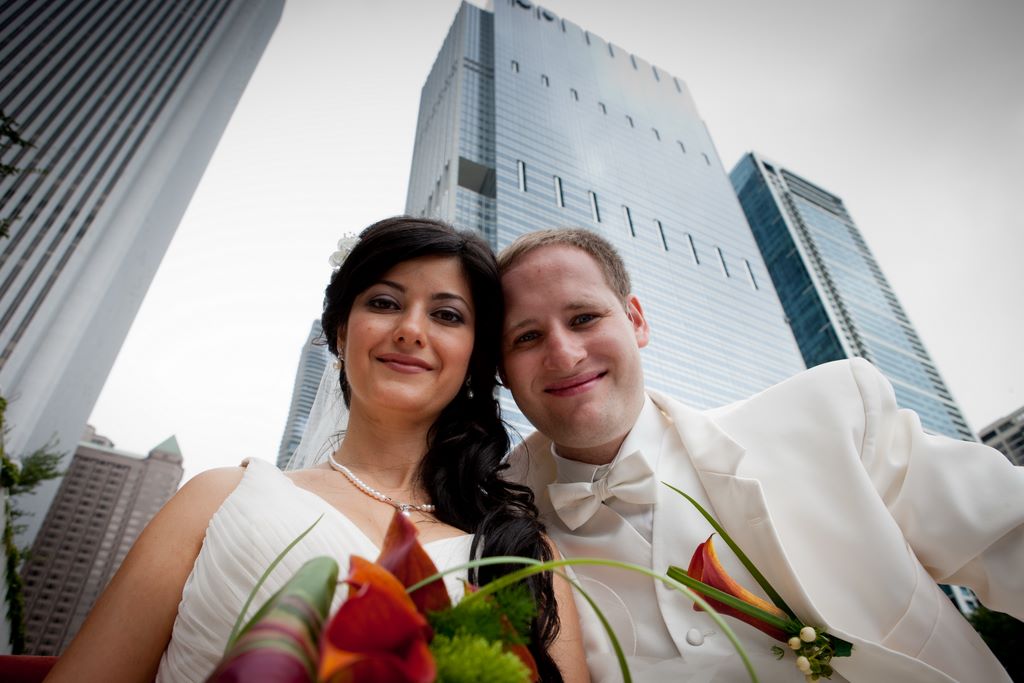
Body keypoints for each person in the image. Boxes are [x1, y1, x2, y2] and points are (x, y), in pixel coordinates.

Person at [46, 218, 586, 683]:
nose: (410, 330)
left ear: (473, 356)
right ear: (340, 332)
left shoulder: (522, 554)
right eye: (384, 303)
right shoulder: (216, 498)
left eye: (447, 315)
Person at [498, 228, 1024, 683]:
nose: (564, 353)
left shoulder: (832, 420)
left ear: (636, 321)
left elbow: (1009, 537)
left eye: (584, 317)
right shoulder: (492, 542)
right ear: (500, 370)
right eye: (527, 336)